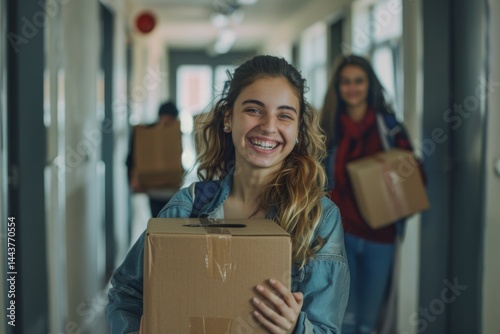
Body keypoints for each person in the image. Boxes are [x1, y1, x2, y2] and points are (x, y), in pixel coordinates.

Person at [107, 55, 349, 333]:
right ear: (227, 118)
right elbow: (126, 293)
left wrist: (296, 327)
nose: (269, 126)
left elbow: (327, 329)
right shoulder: (189, 207)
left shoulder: (319, 218)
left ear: (297, 130)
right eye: (254, 110)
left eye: (284, 115)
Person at [320, 54, 425, 334]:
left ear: (369, 84)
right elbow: (316, 178)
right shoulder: (329, 127)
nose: (352, 87)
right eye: (345, 82)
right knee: (343, 317)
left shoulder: (388, 127)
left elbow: (415, 175)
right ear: (337, 87)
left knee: (369, 322)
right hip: (341, 236)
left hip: (381, 236)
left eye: (359, 81)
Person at [126, 101, 181, 217]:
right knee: (158, 222)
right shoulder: (146, 134)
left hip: (173, 190)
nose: (167, 123)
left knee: (171, 223)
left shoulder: (176, 133)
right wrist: (133, 180)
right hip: (154, 190)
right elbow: (131, 158)